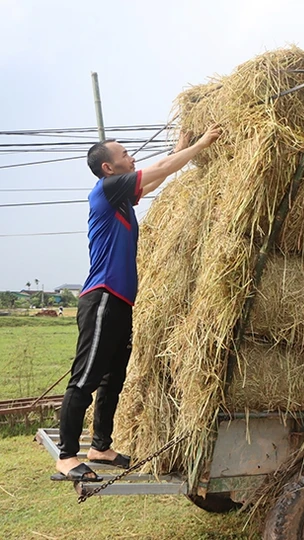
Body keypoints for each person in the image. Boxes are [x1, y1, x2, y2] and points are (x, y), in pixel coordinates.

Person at [55, 125, 222, 482]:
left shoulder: (121, 196)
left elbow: (153, 181)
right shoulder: (107, 189)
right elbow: (158, 170)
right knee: (85, 378)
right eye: (125, 154)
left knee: (114, 378)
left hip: (120, 302)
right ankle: (67, 457)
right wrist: (202, 144)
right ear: (109, 169)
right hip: (101, 297)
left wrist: (181, 145)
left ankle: (101, 446)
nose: (131, 157)